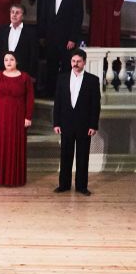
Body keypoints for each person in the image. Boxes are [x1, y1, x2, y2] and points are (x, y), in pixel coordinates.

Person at [53, 49, 100, 196]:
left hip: (84, 125)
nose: (75, 64)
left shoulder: (93, 80)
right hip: (65, 123)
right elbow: (58, 102)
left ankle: (81, 186)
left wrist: (93, 125)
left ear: (84, 62)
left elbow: (95, 105)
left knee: (83, 157)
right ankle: (64, 185)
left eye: (78, 61)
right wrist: (56, 123)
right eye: (73, 61)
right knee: (65, 155)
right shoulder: (62, 78)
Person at [0, 52, 34, 187]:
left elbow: (30, 99)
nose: (8, 62)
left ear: (17, 61)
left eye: (11, 59)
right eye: (6, 60)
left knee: (14, 145)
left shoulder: (25, 77)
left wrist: (28, 117)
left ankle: (13, 178)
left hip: (17, 117)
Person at [37, 0, 84, 96]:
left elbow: (77, 19)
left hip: (67, 39)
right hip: (50, 37)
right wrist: (42, 35)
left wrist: (73, 38)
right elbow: (43, 15)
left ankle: (64, 93)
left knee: (66, 66)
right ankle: (50, 91)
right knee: (51, 65)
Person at [0, 4, 40, 80]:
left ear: (23, 16)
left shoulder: (31, 32)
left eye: (17, 13)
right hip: (3, 71)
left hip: (22, 73)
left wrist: (32, 74)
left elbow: (33, 54)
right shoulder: (2, 30)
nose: (14, 15)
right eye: (12, 12)